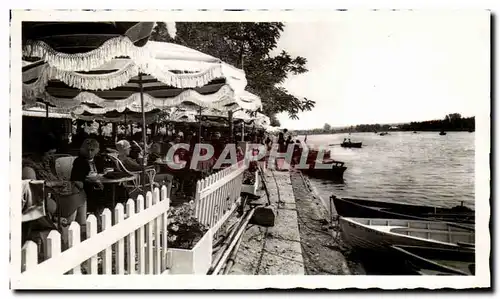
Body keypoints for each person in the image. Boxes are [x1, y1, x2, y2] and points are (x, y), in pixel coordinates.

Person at [22, 135, 87, 245]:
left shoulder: (44, 163)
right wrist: (56, 184)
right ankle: (70, 229)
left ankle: (78, 227)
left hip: (54, 194)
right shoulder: (28, 168)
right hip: (42, 200)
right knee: (76, 197)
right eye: (49, 154)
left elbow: (53, 177)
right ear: (40, 152)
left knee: (80, 193)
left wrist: (63, 183)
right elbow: (31, 189)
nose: (51, 157)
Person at [70, 138, 105, 215]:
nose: (89, 153)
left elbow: (102, 172)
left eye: (92, 150)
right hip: (85, 185)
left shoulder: (99, 160)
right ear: (83, 150)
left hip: (100, 183)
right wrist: (94, 181)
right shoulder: (79, 161)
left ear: (97, 150)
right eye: (87, 150)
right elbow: (76, 178)